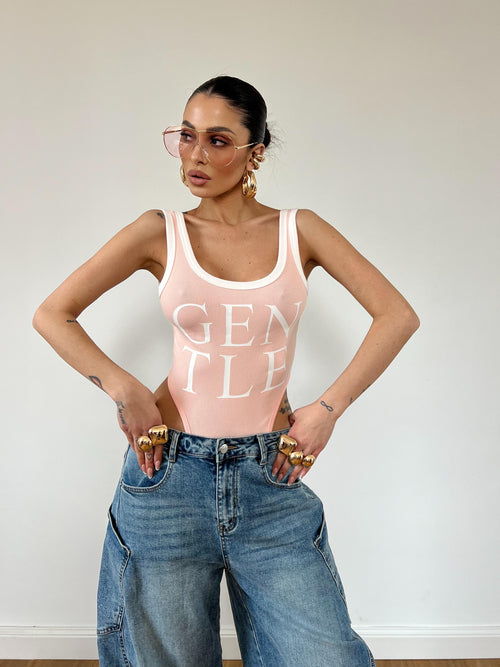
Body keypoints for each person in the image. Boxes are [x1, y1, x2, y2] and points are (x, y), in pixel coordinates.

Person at [33, 75, 419, 666]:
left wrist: (327, 409)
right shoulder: (159, 231)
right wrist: (125, 388)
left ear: (255, 151)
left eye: (217, 140)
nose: (195, 155)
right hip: (167, 477)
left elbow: (396, 315)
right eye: (186, 136)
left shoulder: (299, 230)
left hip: (271, 476)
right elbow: (53, 314)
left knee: (324, 656)